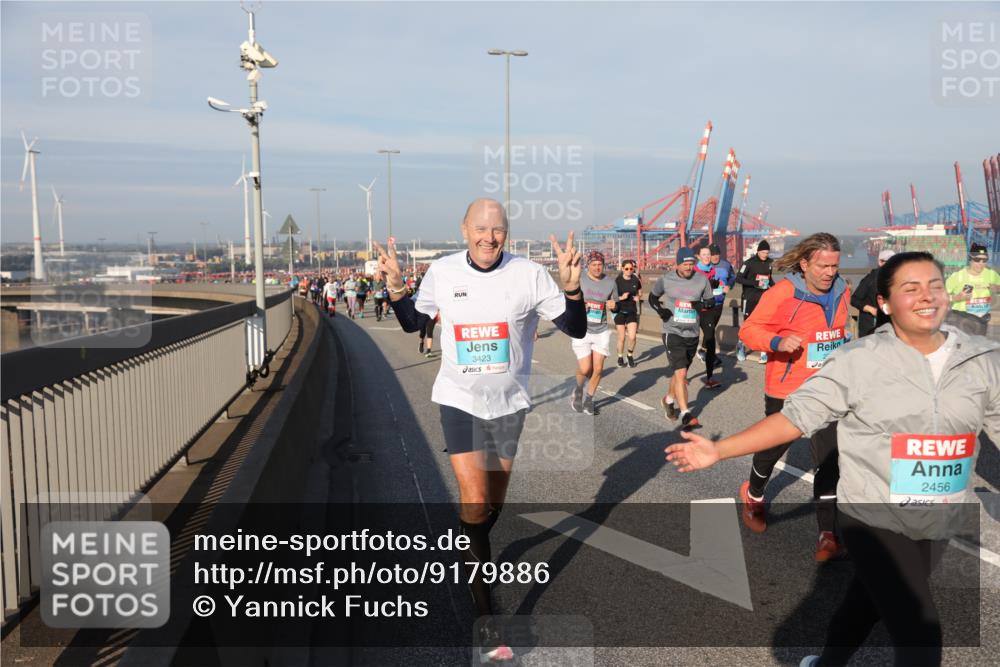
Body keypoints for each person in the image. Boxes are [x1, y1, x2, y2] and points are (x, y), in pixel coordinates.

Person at [667, 251, 998, 667]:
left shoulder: (983, 359)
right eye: (909, 289)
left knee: (865, 603)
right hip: (873, 516)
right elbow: (793, 419)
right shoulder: (858, 361)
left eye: (934, 285)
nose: (926, 296)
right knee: (919, 632)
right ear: (884, 303)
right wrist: (719, 449)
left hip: (940, 515)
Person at [375, 198, 586, 661]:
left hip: (509, 407)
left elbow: (574, 327)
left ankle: (472, 544)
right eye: (481, 228)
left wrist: (572, 289)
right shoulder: (444, 272)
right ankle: (486, 618)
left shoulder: (528, 274)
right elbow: (414, 322)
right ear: (464, 229)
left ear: (506, 233)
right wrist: (395, 289)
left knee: (491, 506)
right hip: (459, 401)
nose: (489, 237)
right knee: (473, 501)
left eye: (498, 230)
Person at [737, 232, 850, 560]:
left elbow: (839, 332)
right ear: (804, 264)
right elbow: (748, 329)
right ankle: (754, 496)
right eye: (823, 266)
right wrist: (776, 342)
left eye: (835, 265)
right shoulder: (783, 292)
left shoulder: (843, 289)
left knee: (829, 462)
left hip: (826, 391)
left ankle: (827, 535)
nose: (830, 272)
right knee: (770, 451)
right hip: (787, 390)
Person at [648, 247, 715, 430]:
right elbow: (652, 298)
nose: (688, 267)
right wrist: (660, 310)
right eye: (685, 264)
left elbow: (710, 301)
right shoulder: (666, 279)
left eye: (691, 264)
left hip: (692, 333)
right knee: (681, 374)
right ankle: (686, 414)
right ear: (677, 263)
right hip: (672, 331)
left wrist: (702, 304)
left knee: (681, 371)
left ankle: (668, 399)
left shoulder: (701, 280)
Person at [570, 250, 619, 415]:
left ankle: (589, 400)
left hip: (601, 330)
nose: (598, 268)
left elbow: (616, 304)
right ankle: (578, 390)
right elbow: (568, 297)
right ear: (588, 265)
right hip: (581, 329)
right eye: (594, 265)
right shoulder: (580, 278)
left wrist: (615, 306)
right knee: (585, 369)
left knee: (598, 369)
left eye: (600, 265)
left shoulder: (610, 283)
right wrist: (578, 306)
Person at [693, 245, 728, 388]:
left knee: (710, 340)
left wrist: (720, 287)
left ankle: (709, 378)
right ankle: (681, 374)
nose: (707, 257)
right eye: (704, 255)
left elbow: (712, 289)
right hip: (694, 309)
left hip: (708, 309)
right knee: (689, 343)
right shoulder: (694, 271)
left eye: (709, 255)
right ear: (699, 257)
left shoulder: (712, 271)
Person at [735, 240, 774, 363]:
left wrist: (776, 288)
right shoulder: (748, 263)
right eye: (763, 252)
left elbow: (770, 279)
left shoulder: (769, 262)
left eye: (767, 252)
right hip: (749, 298)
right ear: (758, 251)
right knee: (748, 324)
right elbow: (738, 278)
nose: (765, 255)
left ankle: (763, 352)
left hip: (764, 298)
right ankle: (740, 346)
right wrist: (755, 283)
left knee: (764, 324)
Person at [945, 242, 1000, 321]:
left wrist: (997, 288)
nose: (981, 263)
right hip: (961, 319)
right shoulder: (957, 276)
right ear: (970, 259)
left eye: (984, 260)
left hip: (982, 320)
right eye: (977, 259)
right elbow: (940, 297)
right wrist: (956, 297)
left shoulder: (992, 274)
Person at [852, 249, 895, 337]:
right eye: (887, 261)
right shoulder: (871, 278)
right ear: (880, 262)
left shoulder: (897, 278)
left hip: (889, 325)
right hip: (870, 327)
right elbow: (854, 299)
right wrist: (871, 309)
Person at [614, 259, 642, 368]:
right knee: (621, 338)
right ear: (622, 269)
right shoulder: (617, 281)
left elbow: (640, 292)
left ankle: (630, 355)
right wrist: (622, 297)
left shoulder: (636, 279)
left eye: (631, 268)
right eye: (626, 269)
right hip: (619, 310)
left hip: (631, 311)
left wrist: (638, 297)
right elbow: (612, 297)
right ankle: (620, 357)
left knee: (632, 337)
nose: (629, 270)